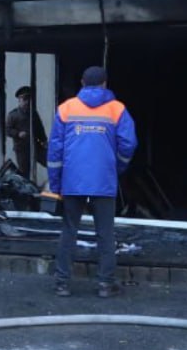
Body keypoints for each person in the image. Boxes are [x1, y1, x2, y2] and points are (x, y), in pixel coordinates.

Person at [47, 65, 138, 299]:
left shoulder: (66, 109)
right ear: (105, 83)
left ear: (82, 82)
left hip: (72, 181)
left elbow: (55, 149)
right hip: (103, 181)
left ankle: (62, 284)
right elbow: (128, 144)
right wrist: (115, 167)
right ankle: (105, 285)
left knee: (69, 231)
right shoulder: (117, 110)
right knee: (105, 234)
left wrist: (55, 184)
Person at [5, 85, 47, 180]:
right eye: (24, 99)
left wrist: (44, 140)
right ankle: (26, 192)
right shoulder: (13, 115)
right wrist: (18, 134)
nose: (27, 102)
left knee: (49, 161)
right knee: (24, 173)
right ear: (19, 100)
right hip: (22, 148)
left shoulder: (33, 113)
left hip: (35, 146)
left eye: (28, 99)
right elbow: (7, 130)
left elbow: (40, 128)